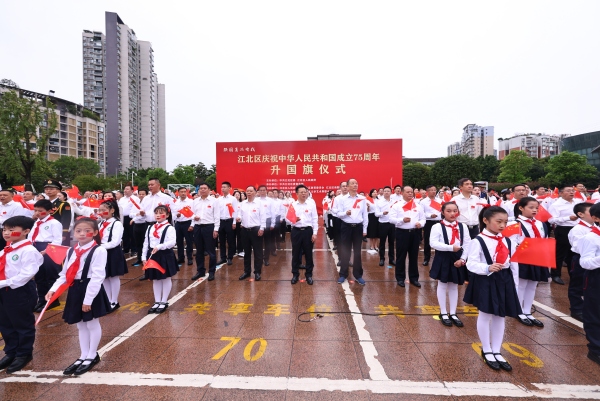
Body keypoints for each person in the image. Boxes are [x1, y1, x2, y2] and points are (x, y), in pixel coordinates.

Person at [47, 218, 110, 375]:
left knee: (91, 323)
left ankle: (92, 355)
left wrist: (88, 299)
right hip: (75, 288)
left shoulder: (99, 250)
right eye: (78, 231)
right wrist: (53, 289)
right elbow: (65, 274)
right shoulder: (71, 250)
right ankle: (83, 355)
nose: (82, 234)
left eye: (87, 230)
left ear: (95, 233)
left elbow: (97, 277)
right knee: (80, 324)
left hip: (90, 288)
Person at [464, 206, 521, 371]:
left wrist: (515, 287)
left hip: (505, 280)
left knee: (500, 315)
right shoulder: (478, 241)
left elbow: (514, 265)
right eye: (498, 221)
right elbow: (471, 263)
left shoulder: (508, 240)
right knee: (486, 314)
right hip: (486, 280)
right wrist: (487, 267)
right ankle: (486, 349)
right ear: (485, 221)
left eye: (505, 222)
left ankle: (497, 350)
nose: (502, 225)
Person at [0, 216, 43, 373]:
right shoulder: (6, 249)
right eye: (5, 229)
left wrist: (3, 283)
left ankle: (24, 353)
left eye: (12, 229)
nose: (7, 233)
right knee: (5, 322)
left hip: (19, 290)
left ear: (26, 231)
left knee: (22, 323)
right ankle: (11, 352)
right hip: (4, 290)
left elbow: (25, 276)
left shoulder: (28, 251)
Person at [429, 201, 471, 327]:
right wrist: (449, 247)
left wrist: (463, 259)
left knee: (454, 285)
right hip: (443, 257)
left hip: (458, 258)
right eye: (448, 211)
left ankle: (453, 313)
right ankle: (443, 312)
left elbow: (468, 243)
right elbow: (433, 243)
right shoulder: (437, 227)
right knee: (442, 284)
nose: (452, 213)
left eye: (455, 211)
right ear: (442, 212)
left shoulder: (463, 227)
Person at [509, 197, 549, 327]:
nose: (534, 210)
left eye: (536, 208)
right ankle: (518, 310)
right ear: (521, 208)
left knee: (533, 284)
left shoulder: (540, 224)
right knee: (521, 284)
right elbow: (510, 242)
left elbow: (545, 238)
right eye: (531, 207)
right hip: (522, 257)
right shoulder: (514, 224)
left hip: (537, 257)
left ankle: (527, 311)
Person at [141, 205, 178, 313]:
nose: (158, 215)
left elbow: (172, 242)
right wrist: (143, 257)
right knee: (155, 279)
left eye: (161, 213)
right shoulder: (150, 227)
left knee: (165, 278)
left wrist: (160, 246)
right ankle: (157, 301)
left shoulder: (169, 228)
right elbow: (146, 243)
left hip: (165, 255)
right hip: (153, 255)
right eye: (156, 213)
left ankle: (163, 301)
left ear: (167, 215)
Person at [29, 199, 63, 312]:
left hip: (49, 250)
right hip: (36, 248)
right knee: (39, 276)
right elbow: (30, 237)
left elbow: (57, 240)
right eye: (35, 210)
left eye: (41, 211)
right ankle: (42, 300)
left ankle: (52, 300)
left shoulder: (54, 223)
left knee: (50, 276)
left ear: (49, 211)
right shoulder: (37, 223)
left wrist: (46, 250)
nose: (37, 213)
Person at [333, 178, 368, 285]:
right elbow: (337, 213)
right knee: (345, 251)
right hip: (346, 227)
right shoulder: (342, 199)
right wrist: (345, 213)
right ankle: (343, 274)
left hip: (358, 227)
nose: (355, 185)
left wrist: (365, 229)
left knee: (357, 252)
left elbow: (365, 214)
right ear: (347, 187)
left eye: (356, 183)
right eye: (352, 184)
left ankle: (358, 275)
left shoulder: (362, 199)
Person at [389, 186, 425, 288]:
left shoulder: (417, 206)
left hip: (415, 233)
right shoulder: (397, 205)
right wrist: (401, 220)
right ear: (402, 193)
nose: (410, 194)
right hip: (402, 233)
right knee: (401, 256)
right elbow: (391, 219)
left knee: (414, 256)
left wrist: (420, 224)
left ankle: (414, 278)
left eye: (411, 192)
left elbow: (423, 219)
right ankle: (400, 278)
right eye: (408, 192)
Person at [578, 203, 600, 367]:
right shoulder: (590, 237)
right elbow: (584, 262)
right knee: (594, 312)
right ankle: (595, 349)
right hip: (595, 277)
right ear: (595, 218)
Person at [97, 200, 128, 313]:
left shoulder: (116, 223)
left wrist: (100, 246)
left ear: (112, 210)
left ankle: (114, 301)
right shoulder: (100, 223)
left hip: (112, 252)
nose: (101, 212)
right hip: (101, 252)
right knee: (104, 276)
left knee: (113, 276)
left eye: (104, 210)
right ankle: (108, 300)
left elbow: (115, 242)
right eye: (100, 210)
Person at [548, 186, 582, 285]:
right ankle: (555, 274)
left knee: (574, 252)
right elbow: (551, 220)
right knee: (560, 253)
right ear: (561, 193)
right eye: (568, 191)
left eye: (572, 191)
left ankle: (573, 274)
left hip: (577, 229)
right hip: (564, 229)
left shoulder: (578, 202)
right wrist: (567, 218)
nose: (571, 192)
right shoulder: (556, 205)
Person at [567, 202, 594, 322]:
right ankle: (576, 309)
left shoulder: (595, 227)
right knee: (577, 285)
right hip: (581, 259)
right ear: (580, 214)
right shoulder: (577, 229)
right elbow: (578, 247)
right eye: (591, 211)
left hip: (594, 260)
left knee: (591, 284)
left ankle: (589, 308)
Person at [288, 185, 318, 285]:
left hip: (307, 231)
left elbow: (315, 219)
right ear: (296, 194)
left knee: (309, 254)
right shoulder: (293, 205)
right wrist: (293, 220)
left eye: (305, 192)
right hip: (296, 231)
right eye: (301, 192)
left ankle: (309, 275)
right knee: (295, 253)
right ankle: (295, 274)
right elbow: (287, 218)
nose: (304, 193)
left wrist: (315, 233)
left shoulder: (311, 204)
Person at [190, 183, 220, 281]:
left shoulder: (214, 201)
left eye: (205, 188)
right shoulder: (195, 201)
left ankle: (211, 272)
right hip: (198, 227)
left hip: (209, 227)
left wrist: (216, 229)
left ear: (209, 190)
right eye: (201, 188)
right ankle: (200, 271)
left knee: (211, 251)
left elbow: (217, 216)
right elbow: (191, 214)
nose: (202, 190)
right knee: (199, 251)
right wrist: (194, 217)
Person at [236, 186, 266, 281]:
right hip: (245, 230)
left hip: (256, 230)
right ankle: (247, 271)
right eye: (247, 191)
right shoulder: (243, 203)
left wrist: (262, 228)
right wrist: (239, 218)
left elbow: (263, 216)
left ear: (255, 192)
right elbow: (239, 214)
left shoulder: (259, 203)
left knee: (258, 252)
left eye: (251, 191)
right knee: (247, 252)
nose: (249, 192)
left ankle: (257, 272)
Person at [43, 180, 72, 246]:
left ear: (58, 191)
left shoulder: (63, 204)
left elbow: (66, 219)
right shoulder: (44, 203)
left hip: (57, 232)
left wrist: (64, 234)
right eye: (46, 189)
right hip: (45, 232)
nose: (48, 191)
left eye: (51, 189)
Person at [420, 184, 442, 266]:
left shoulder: (439, 201)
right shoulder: (423, 202)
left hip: (439, 222)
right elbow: (421, 214)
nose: (433, 191)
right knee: (427, 240)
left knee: (439, 240)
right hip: (429, 222)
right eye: (431, 190)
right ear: (427, 192)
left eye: (434, 190)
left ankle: (438, 259)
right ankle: (426, 258)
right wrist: (430, 215)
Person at [217, 182, 238, 265]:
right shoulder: (218, 199)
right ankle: (223, 258)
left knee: (230, 240)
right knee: (221, 241)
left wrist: (234, 222)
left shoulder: (233, 199)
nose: (223, 189)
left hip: (229, 221)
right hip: (221, 222)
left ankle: (230, 257)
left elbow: (235, 211)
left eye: (225, 187)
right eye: (222, 187)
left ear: (229, 188)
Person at [172, 188, 194, 266]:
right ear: (178, 193)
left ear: (187, 192)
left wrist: (192, 225)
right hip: (178, 223)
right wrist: (176, 216)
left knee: (189, 241)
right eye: (181, 192)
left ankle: (190, 258)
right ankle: (181, 257)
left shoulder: (191, 202)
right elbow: (173, 214)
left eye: (184, 192)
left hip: (188, 223)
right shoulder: (176, 202)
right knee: (179, 241)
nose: (183, 193)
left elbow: (193, 214)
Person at [375, 186, 395, 267]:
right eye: (385, 191)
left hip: (392, 224)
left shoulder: (394, 202)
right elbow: (376, 214)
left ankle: (391, 259)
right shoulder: (379, 202)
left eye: (388, 191)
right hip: (383, 223)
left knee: (391, 242)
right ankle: (382, 259)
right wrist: (382, 213)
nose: (386, 192)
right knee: (382, 242)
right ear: (383, 192)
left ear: (391, 192)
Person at [257, 185, 277, 266]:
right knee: (259, 242)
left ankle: (266, 258)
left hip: (268, 221)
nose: (262, 192)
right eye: (260, 190)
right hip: (258, 222)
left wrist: (273, 223)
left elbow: (273, 213)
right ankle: (260, 258)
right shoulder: (256, 200)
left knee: (267, 241)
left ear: (266, 191)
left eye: (263, 190)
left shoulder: (270, 201)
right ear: (258, 191)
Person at [130, 189, 148, 269]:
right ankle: (139, 258)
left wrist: (135, 217)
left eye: (143, 194)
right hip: (136, 225)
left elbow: (145, 215)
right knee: (138, 243)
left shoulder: (147, 204)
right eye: (139, 194)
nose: (141, 195)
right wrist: (137, 214)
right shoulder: (136, 204)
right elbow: (131, 214)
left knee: (145, 243)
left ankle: (146, 258)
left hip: (144, 224)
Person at [118, 185, 138, 257]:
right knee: (124, 234)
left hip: (130, 218)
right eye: (124, 189)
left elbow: (135, 208)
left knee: (132, 234)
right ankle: (126, 249)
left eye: (127, 189)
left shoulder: (135, 198)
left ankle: (134, 250)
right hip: (122, 218)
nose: (125, 190)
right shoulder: (122, 199)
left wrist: (133, 218)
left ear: (132, 191)